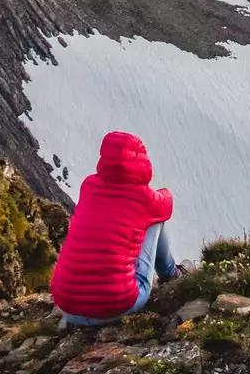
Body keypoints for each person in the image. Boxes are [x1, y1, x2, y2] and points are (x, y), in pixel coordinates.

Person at [49, 130, 183, 325]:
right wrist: (158, 193)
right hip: (115, 307)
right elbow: (166, 206)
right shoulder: (145, 198)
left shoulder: (89, 186)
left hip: (68, 307)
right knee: (156, 220)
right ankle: (171, 276)